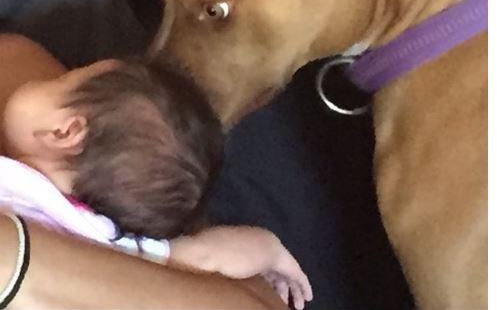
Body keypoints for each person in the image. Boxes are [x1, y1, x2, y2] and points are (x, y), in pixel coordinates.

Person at [0, 34, 312, 309]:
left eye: (61, 81)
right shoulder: (113, 247)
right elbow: (205, 255)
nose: (42, 79)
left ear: (65, 131)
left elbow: (208, 253)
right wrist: (267, 248)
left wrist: (268, 246)